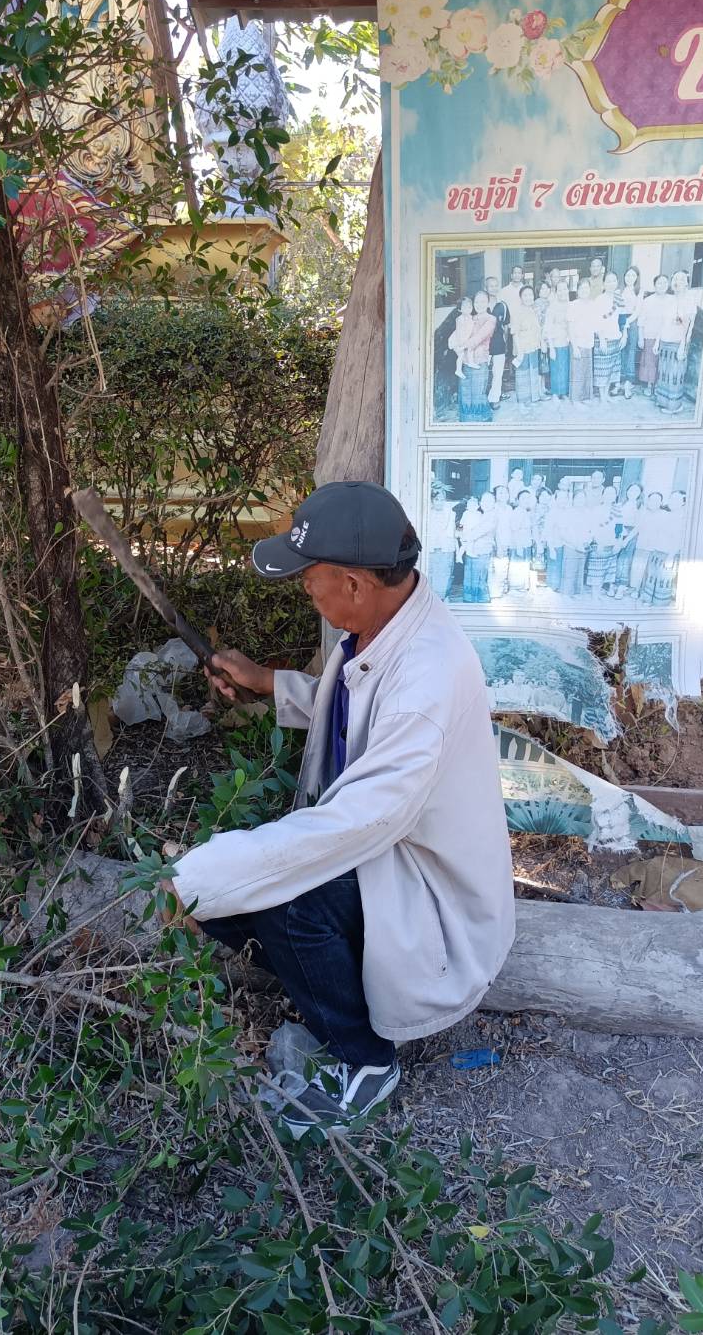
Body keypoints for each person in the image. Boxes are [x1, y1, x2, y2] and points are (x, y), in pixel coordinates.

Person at [171, 482, 515, 1141]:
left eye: (310, 582)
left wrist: (194, 876)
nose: (307, 593)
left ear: (354, 585)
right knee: (245, 886)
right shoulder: (386, 625)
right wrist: (270, 683)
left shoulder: (427, 677)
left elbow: (359, 820)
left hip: (432, 893)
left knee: (283, 896)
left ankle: (365, 1058)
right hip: (392, 849)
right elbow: (359, 707)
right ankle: (329, 984)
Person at [654, 270, 696, 414]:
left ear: (687, 283)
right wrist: (657, 342)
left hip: (678, 343)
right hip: (665, 341)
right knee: (664, 373)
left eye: (681, 279)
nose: (678, 282)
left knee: (675, 375)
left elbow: (688, 326)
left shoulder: (689, 301)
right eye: (675, 279)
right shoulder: (669, 300)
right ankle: (662, 401)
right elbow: (662, 322)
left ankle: (674, 406)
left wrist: (683, 346)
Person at [451, 292, 495, 424]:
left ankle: (481, 419)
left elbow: (479, 337)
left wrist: (463, 346)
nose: (479, 305)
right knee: (465, 389)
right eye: (477, 302)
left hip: (480, 359)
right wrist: (454, 344)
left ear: (488, 303)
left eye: (483, 301)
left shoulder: (491, 319)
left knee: (478, 390)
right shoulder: (469, 317)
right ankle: (466, 419)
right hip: (466, 359)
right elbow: (458, 333)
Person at [511, 284, 543, 410]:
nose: (528, 297)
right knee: (522, 375)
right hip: (522, 349)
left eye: (530, 295)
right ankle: (522, 402)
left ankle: (533, 398)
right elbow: (514, 333)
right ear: (521, 297)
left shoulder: (533, 310)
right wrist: (519, 351)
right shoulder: (517, 312)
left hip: (533, 347)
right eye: (525, 295)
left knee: (533, 372)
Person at [636, 273, 669, 396]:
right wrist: (640, 338)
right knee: (650, 361)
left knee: (662, 362)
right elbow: (641, 320)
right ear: (655, 285)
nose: (662, 285)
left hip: (666, 336)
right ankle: (650, 386)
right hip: (649, 335)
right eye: (659, 283)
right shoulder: (648, 301)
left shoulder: (671, 300)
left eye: (665, 283)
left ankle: (660, 387)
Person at [592, 271, 622, 403]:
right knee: (602, 369)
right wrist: (602, 339)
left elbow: (622, 318)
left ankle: (607, 394)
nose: (611, 283)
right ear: (604, 284)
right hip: (603, 338)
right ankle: (602, 396)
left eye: (614, 280)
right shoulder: (599, 299)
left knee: (612, 368)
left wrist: (624, 335)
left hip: (615, 336)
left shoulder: (618, 298)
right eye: (608, 281)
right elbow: (596, 321)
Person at [458, 494, 493, 603]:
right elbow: (461, 525)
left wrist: (466, 537)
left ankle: (480, 599)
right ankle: (469, 598)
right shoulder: (467, 514)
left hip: (481, 550)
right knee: (470, 574)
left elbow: (480, 531)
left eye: (489, 501)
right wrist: (460, 533)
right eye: (484, 501)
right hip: (470, 544)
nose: (485, 504)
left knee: (479, 576)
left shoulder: (487, 515)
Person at [566, 278, 597, 404]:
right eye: (582, 288)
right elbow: (570, 327)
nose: (584, 290)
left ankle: (585, 396)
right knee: (577, 373)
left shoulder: (593, 304)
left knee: (586, 371)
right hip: (577, 343)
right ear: (577, 290)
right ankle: (576, 400)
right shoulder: (573, 305)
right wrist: (574, 347)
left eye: (586, 288)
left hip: (588, 343)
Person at [427, 482, 457, 599]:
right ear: (432, 500)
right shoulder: (428, 513)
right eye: (436, 499)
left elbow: (453, 530)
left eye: (442, 500)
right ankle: (431, 596)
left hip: (445, 548)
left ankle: (442, 596)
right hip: (432, 547)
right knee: (431, 571)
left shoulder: (450, 513)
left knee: (444, 572)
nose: (439, 502)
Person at [543, 281, 571, 400]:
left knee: (565, 368)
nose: (562, 292)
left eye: (564, 289)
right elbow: (548, 327)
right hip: (556, 342)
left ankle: (563, 392)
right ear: (556, 292)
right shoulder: (552, 307)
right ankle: (555, 393)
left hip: (568, 341)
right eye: (560, 290)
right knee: (556, 368)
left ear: (568, 290)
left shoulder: (570, 305)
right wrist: (551, 347)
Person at [485, 276, 510, 409]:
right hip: (483, 344)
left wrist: (505, 343)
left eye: (496, 285)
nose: (493, 288)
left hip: (499, 343)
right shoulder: (481, 304)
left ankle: (494, 398)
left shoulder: (503, 305)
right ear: (486, 288)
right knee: (483, 372)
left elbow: (506, 326)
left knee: (498, 373)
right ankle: (481, 398)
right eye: (491, 286)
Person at [617, 266, 642, 399]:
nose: (630, 278)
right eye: (628, 275)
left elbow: (638, 311)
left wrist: (628, 321)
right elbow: (617, 308)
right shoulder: (620, 291)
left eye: (633, 275)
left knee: (631, 351)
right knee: (621, 350)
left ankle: (628, 383)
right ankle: (619, 382)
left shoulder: (639, 291)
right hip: (620, 320)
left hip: (633, 322)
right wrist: (623, 322)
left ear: (637, 277)